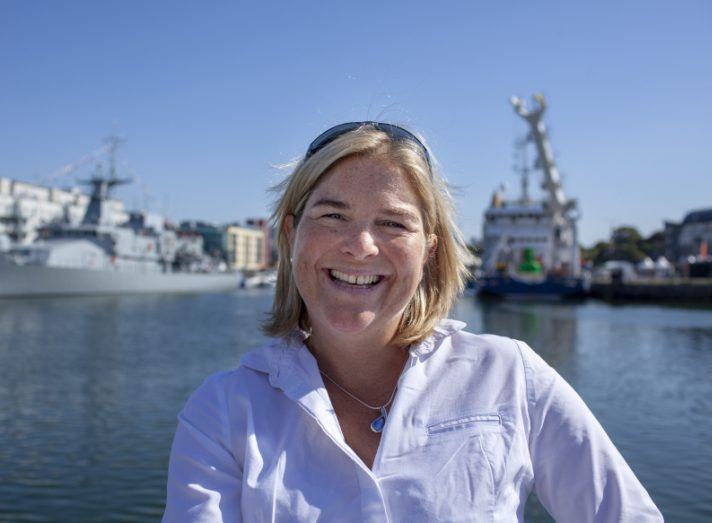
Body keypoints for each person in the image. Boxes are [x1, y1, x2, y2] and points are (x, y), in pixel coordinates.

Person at [162, 122, 662, 522]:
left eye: (393, 223)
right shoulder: (224, 413)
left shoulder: (512, 377)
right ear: (291, 236)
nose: (360, 245)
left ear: (429, 250)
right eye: (333, 216)